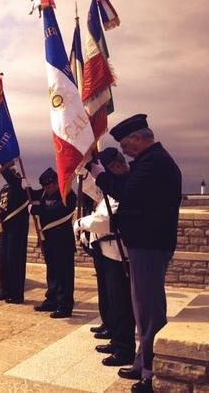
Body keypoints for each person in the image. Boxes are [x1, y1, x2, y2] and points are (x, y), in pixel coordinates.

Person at [87, 114, 181, 393]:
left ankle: (151, 373)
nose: (124, 150)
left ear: (140, 138)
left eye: (126, 144)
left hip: (150, 245)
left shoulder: (154, 163)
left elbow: (126, 193)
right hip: (145, 244)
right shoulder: (149, 161)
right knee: (142, 309)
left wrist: (98, 174)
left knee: (149, 310)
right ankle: (142, 361)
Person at [75, 147, 135, 368]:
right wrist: (85, 173)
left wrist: (81, 223)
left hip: (118, 254)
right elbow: (97, 194)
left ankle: (125, 349)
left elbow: (106, 220)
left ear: (116, 167)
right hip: (107, 252)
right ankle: (117, 341)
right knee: (113, 300)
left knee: (121, 304)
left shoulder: (125, 185)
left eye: (105, 170)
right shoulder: (114, 186)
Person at [29, 167, 76, 318]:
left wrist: (35, 209)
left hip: (63, 242)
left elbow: (55, 211)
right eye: (44, 187)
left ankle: (64, 305)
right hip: (49, 241)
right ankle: (52, 300)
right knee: (52, 273)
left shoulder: (67, 195)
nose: (46, 190)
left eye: (48, 186)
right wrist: (20, 182)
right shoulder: (44, 193)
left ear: (56, 183)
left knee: (64, 275)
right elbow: (30, 194)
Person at [0, 162, 30, 304]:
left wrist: (0, 161)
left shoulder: (20, 185)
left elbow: (10, 178)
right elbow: (5, 205)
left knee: (15, 262)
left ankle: (16, 294)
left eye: (12, 172)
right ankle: (5, 290)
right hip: (4, 229)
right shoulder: (4, 188)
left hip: (16, 229)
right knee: (3, 261)